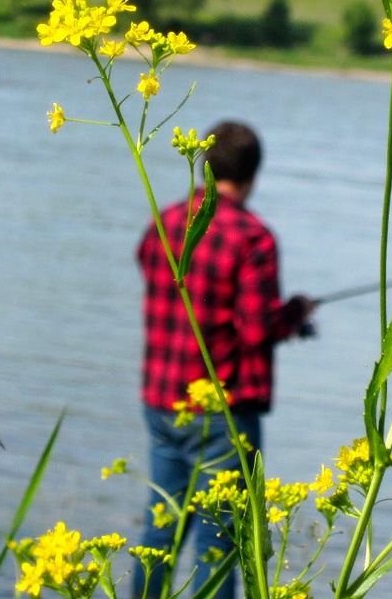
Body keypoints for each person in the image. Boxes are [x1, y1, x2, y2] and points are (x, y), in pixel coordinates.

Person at [133, 120, 314, 598]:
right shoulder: (253, 238)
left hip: (160, 398)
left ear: (204, 162)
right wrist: (295, 313)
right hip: (223, 412)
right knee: (220, 543)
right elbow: (257, 329)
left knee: (161, 526)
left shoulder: (166, 220)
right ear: (254, 173)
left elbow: (147, 264)